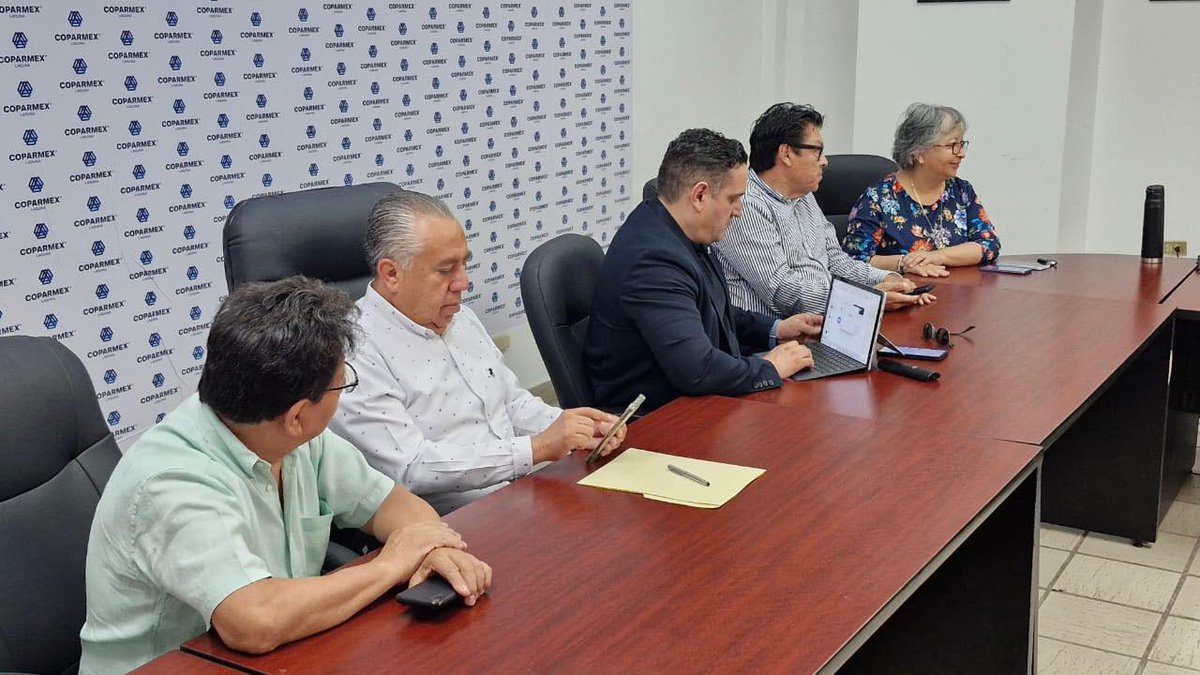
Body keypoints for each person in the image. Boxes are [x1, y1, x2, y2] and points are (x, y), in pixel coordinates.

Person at [79, 277, 492, 674]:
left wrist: (433, 549)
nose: (343, 391)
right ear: (296, 415)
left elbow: (392, 505)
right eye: (340, 384)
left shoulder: (287, 436)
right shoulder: (173, 481)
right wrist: (393, 564)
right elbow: (254, 622)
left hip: (286, 654)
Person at [331, 191, 624, 515]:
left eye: (464, 264)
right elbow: (411, 468)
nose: (463, 283)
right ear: (391, 273)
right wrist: (537, 448)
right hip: (454, 523)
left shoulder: (461, 318)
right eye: (446, 270)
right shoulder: (354, 347)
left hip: (524, 494)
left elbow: (511, 403)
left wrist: (575, 427)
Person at [584, 128, 823, 413]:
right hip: (658, 420)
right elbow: (698, 370)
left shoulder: (672, 225)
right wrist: (769, 367)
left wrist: (775, 329)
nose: (738, 211)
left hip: (692, 400)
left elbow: (707, 308)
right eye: (733, 199)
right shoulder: (653, 260)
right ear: (699, 195)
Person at [715, 102, 935, 317]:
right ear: (786, 154)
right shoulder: (746, 204)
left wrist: (888, 279)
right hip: (773, 340)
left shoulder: (803, 195)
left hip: (827, 321)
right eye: (817, 152)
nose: (824, 161)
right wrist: (866, 298)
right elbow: (785, 292)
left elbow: (834, 259)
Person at [843, 103, 1001, 274]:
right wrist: (902, 263)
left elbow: (989, 244)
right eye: (951, 146)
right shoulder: (878, 198)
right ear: (919, 153)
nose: (961, 153)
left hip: (959, 292)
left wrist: (936, 256)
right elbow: (853, 261)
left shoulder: (961, 191)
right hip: (906, 293)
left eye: (961, 144)